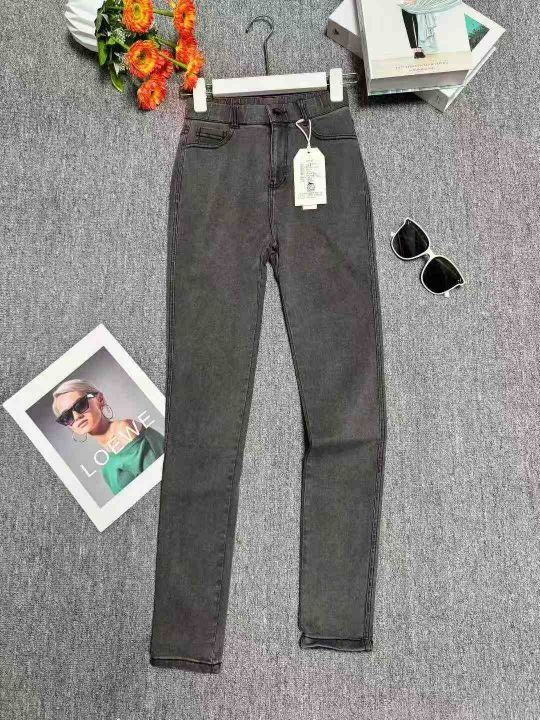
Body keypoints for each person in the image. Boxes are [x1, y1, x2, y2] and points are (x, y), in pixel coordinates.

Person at [52, 378, 164, 495]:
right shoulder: (106, 470)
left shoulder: (124, 430)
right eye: (67, 417)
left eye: (80, 405)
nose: (76, 417)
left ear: (99, 399)